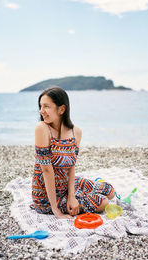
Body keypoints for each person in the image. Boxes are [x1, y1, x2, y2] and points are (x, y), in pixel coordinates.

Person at [30, 87, 115, 219]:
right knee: (103, 202)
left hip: (67, 184)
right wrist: (56, 210)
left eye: (46, 106)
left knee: (110, 191)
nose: (41, 111)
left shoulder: (76, 132)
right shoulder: (42, 128)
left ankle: (78, 194)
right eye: (41, 106)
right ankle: (72, 198)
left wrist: (72, 196)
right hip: (46, 197)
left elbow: (71, 167)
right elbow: (46, 170)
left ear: (61, 109)